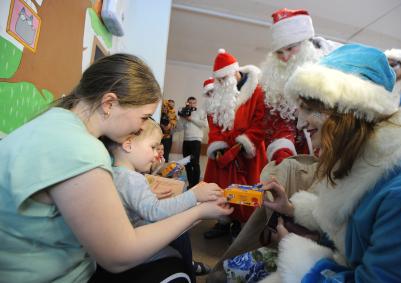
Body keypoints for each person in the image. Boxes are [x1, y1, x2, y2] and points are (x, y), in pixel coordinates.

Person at [0, 53, 233, 283]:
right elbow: (120, 256)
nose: (141, 127)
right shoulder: (81, 150)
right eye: (143, 117)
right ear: (109, 103)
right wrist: (199, 212)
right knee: (175, 261)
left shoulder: (56, 121)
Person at [259, 44, 401, 282]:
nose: (300, 124)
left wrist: (296, 256)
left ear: (347, 111)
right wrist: (291, 210)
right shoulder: (360, 159)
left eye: (309, 109)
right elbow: (353, 234)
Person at [101, 119, 219, 281]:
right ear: (128, 145)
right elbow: (154, 211)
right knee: (178, 244)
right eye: (153, 147)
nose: (157, 153)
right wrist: (195, 195)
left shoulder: (114, 172)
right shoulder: (132, 179)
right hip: (135, 253)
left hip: (119, 244)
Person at [260, 8, 341, 164]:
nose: (285, 57)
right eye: (279, 52)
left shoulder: (334, 67)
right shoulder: (275, 82)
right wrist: (282, 153)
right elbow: (279, 123)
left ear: (306, 45)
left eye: (290, 48)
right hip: (298, 155)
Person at [203, 49, 267, 239]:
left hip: (248, 151)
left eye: (223, 79)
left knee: (246, 190)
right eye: (218, 80)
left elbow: (261, 121)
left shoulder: (258, 90)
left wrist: (243, 143)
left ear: (234, 73)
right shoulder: (218, 91)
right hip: (223, 151)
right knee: (221, 187)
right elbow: (213, 121)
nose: (221, 84)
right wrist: (218, 145)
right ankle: (223, 221)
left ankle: (242, 225)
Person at [176, 96, 208, 188]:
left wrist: (191, 119)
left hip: (196, 140)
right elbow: (179, 127)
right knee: (187, 163)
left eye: (193, 103)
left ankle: (196, 184)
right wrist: (181, 117)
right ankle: (190, 184)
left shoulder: (200, 112)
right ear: (187, 103)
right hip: (186, 140)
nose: (191, 104)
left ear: (196, 103)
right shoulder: (184, 112)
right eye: (190, 103)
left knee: (195, 163)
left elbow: (205, 124)